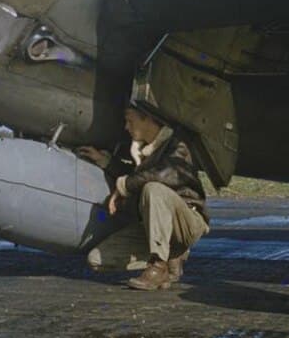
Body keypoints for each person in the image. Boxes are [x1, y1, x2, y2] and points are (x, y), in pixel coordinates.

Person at [78, 104, 209, 291]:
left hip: (187, 221)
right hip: (155, 227)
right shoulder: (144, 153)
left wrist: (123, 186)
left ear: (147, 119)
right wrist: (105, 162)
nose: (126, 127)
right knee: (97, 259)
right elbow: (138, 177)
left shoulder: (179, 144)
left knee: (153, 189)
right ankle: (172, 254)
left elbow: (165, 174)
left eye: (130, 120)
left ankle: (157, 266)